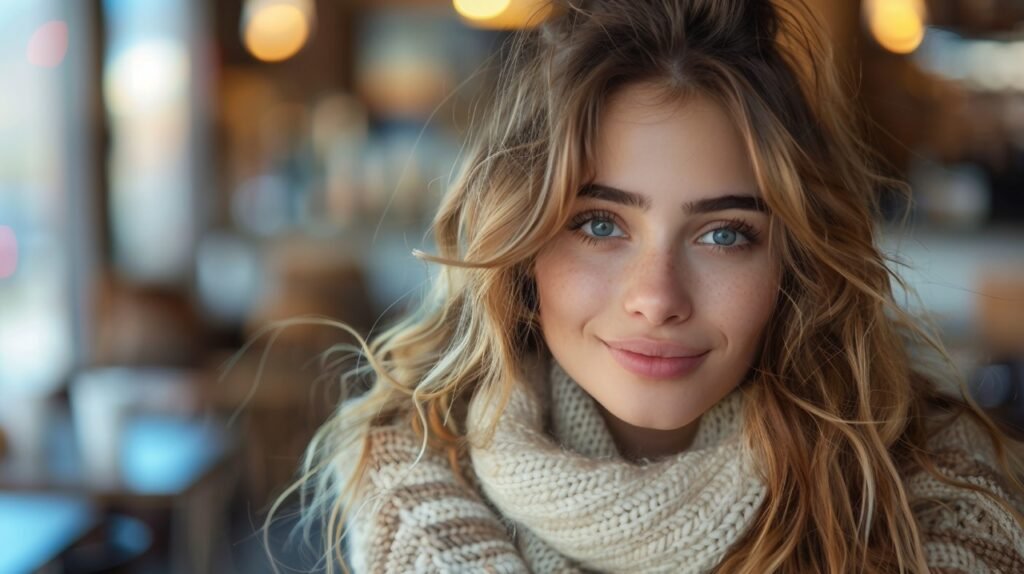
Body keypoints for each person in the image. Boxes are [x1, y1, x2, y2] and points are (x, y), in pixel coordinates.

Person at [278, 0, 1024, 572]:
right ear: (521, 244)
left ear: (793, 264)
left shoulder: (937, 502)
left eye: (724, 233)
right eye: (599, 224)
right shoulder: (412, 487)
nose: (657, 296)